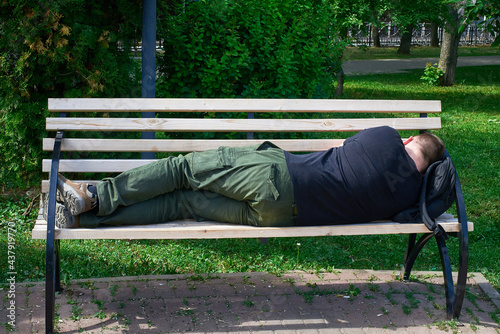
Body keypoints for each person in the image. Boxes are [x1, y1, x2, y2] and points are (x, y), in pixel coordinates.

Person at [48, 126, 445, 229]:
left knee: (182, 169)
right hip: (282, 216)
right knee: (182, 201)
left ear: (410, 140)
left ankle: (96, 196)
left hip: (276, 176)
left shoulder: (385, 139)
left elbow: (346, 144)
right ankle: (84, 219)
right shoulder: (409, 198)